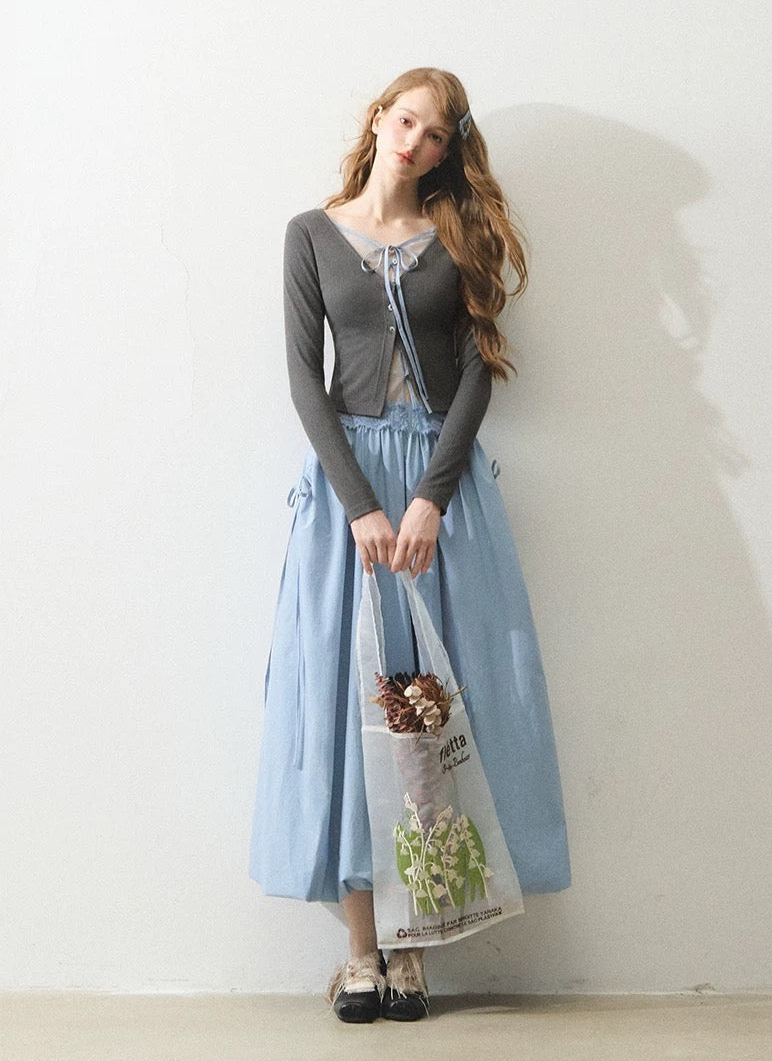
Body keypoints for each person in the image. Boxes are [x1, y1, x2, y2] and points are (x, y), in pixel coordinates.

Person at [249, 67, 571, 1023]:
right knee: (351, 705)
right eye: (405, 121)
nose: (415, 142)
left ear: (446, 149)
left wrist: (429, 496)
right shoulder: (309, 235)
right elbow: (304, 382)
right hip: (347, 498)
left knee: (431, 706)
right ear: (379, 119)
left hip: (441, 495)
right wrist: (361, 506)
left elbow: (477, 373)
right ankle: (360, 950)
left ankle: (414, 945)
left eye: (435, 135)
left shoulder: (458, 236)